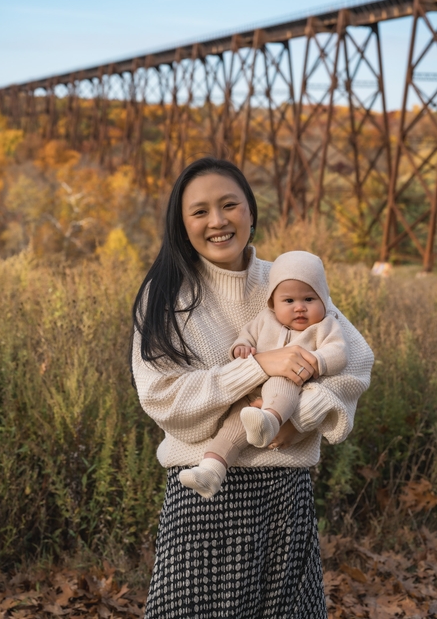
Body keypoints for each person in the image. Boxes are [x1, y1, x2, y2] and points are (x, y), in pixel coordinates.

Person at [131, 157, 373, 619]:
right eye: (199, 212)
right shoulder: (166, 294)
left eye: (229, 205)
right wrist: (259, 366)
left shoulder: (286, 279)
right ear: (181, 224)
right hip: (205, 495)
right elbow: (163, 399)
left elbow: (355, 361)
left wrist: (301, 417)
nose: (218, 221)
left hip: (285, 489)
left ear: (251, 211)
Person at [179, 250, 348, 499]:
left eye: (309, 299)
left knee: (283, 379)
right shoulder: (264, 319)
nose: (299, 308)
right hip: (251, 395)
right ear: (273, 303)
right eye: (289, 301)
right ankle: (211, 470)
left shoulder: (326, 325)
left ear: (324, 300)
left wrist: (317, 360)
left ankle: (270, 420)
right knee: (232, 429)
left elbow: (339, 352)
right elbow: (245, 338)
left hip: (291, 386)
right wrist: (242, 348)